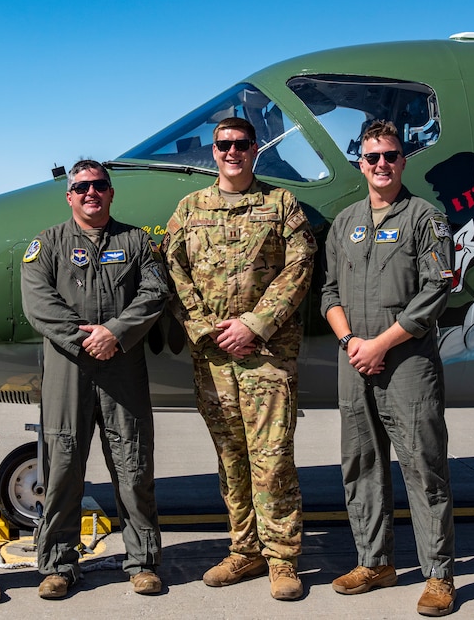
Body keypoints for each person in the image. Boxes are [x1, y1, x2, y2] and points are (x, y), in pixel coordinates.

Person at [162, 116, 317, 601]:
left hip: (266, 357)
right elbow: (174, 274)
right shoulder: (190, 209)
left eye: (242, 145)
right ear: (214, 151)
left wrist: (255, 324)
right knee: (231, 460)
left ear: (255, 150)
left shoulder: (281, 204)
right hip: (214, 360)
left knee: (272, 460)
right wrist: (209, 330)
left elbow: (299, 267)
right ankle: (244, 550)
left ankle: (282, 559)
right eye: (224, 145)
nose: (232, 153)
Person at [321, 120, 457, 616]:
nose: (382, 165)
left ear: (403, 161)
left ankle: (439, 575)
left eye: (391, 156)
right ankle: (374, 562)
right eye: (373, 157)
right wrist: (352, 341)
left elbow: (436, 290)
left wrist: (381, 343)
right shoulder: (345, 222)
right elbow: (329, 293)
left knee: (423, 467)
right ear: (361, 162)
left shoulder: (425, 217)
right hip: (354, 357)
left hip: (406, 362)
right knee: (361, 464)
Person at [20, 159, 169, 600]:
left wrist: (116, 333)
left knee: (133, 466)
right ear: (69, 195)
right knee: (63, 467)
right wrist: (87, 339)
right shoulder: (46, 244)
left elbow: (155, 292)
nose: (91, 193)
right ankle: (58, 565)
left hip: (122, 365)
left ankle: (142, 562)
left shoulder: (137, 241)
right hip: (69, 367)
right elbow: (38, 303)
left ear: (110, 192)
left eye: (99, 185)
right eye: (82, 186)